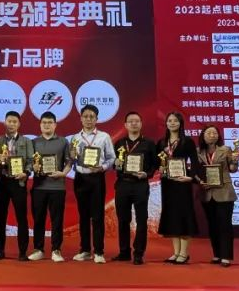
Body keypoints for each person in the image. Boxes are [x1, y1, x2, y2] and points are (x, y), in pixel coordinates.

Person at [69, 104, 116, 263]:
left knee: (97, 216)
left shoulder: (104, 137)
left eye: (92, 117)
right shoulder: (75, 138)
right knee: (83, 216)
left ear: (97, 119)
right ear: (81, 118)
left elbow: (111, 158)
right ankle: (85, 250)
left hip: (97, 178)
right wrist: (72, 156)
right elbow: (72, 160)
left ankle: (99, 252)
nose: (88, 119)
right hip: (80, 178)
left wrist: (102, 167)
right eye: (85, 116)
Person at [112, 111, 159, 265]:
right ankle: (124, 252)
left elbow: (155, 164)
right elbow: (114, 164)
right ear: (125, 125)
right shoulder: (119, 143)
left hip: (140, 184)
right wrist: (116, 165)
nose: (134, 123)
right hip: (123, 184)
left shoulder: (149, 143)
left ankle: (138, 253)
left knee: (141, 219)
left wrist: (147, 174)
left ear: (141, 124)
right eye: (131, 121)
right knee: (123, 219)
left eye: (137, 121)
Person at [195, 124, 239, 266]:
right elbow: (195, 171)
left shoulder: (226, 149)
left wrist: (235, 161)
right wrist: (200, 181)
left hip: (224, 191)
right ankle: (217, 254)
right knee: (213, 225)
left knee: (224, 224)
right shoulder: (198, 151)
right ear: (203, 136)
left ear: (218, 136)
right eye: (209, 133)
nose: (212, 135)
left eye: (214, 133)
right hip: (207, 192)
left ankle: (226, 256)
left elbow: (232, 169)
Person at [30, 111, 72, 261]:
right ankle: (38, 249)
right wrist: (33, 167)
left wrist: (63, 173)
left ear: (55, 125)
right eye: (44, 123)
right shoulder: (33, 142)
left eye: (50, 122)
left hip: (57, 187)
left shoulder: (63, 141)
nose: (47, 125)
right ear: (40, 125)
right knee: (38, 219)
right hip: (38, 187)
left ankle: (56, 250)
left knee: (57, 220)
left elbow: (69, 162)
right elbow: (29, 163)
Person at [158, 111, 199, 264]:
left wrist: (191, 177)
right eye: (169, 120)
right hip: (168, 183)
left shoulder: (187, 142)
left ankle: (184, 253)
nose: (172, 123)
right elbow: (158, 161)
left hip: (182, 183)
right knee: (172, 216)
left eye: (175, 120)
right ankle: (176, 252)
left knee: (183, 215)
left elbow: (195, 162)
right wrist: (160, 168)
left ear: (181, 123)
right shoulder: (162, 142)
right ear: (166, 123)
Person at [0, 111, 33, 260]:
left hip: (18, 182)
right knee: (0, 218)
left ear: (19, 124)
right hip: (2, 182)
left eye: (14, 122)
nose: (11, 124)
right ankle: (0, 250)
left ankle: (23, 252)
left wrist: (26, 173)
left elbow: (31, 161)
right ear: (5, 122)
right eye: (9, 121)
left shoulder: (26, 141)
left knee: (21, 218)